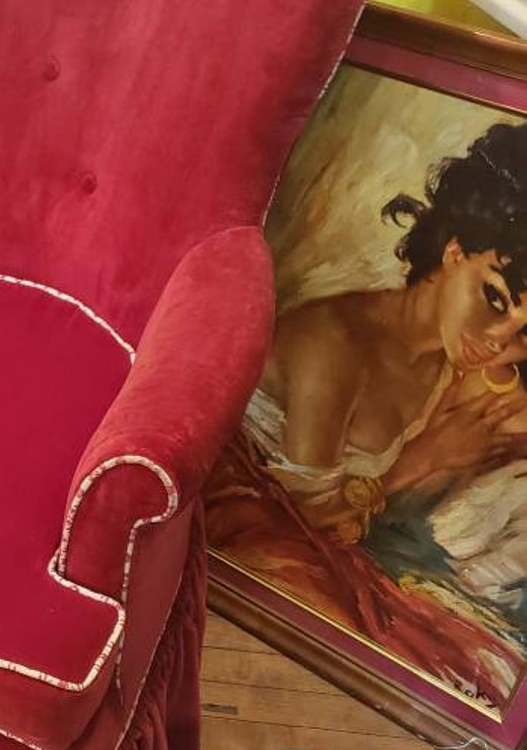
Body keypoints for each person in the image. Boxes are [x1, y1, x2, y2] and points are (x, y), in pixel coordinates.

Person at [206, 121, 527, 708]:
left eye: (523, 331)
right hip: (237, 533)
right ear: (455, 253)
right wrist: (417, 463)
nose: (498, 341)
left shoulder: (447, 363)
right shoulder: (338, 343)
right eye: (494, 299)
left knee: (485, 661)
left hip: (317, 547)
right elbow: (296, 514)